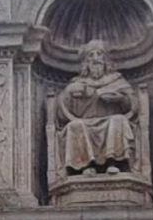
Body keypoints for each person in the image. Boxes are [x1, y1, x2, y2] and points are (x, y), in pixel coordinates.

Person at [58, 40, 136, 176]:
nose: (95, 58)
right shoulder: (77, 83)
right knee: (75, 125)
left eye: (99, 54)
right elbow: (62, 112)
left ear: (106, 60)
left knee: (118, 120)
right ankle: (86, 165)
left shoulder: (117, 80)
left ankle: (113, 162)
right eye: (91, 55)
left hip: (110, 120)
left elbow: (133, 105)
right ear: (85, 63)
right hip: (86, 122)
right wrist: (69, 93)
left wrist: (120, 99)